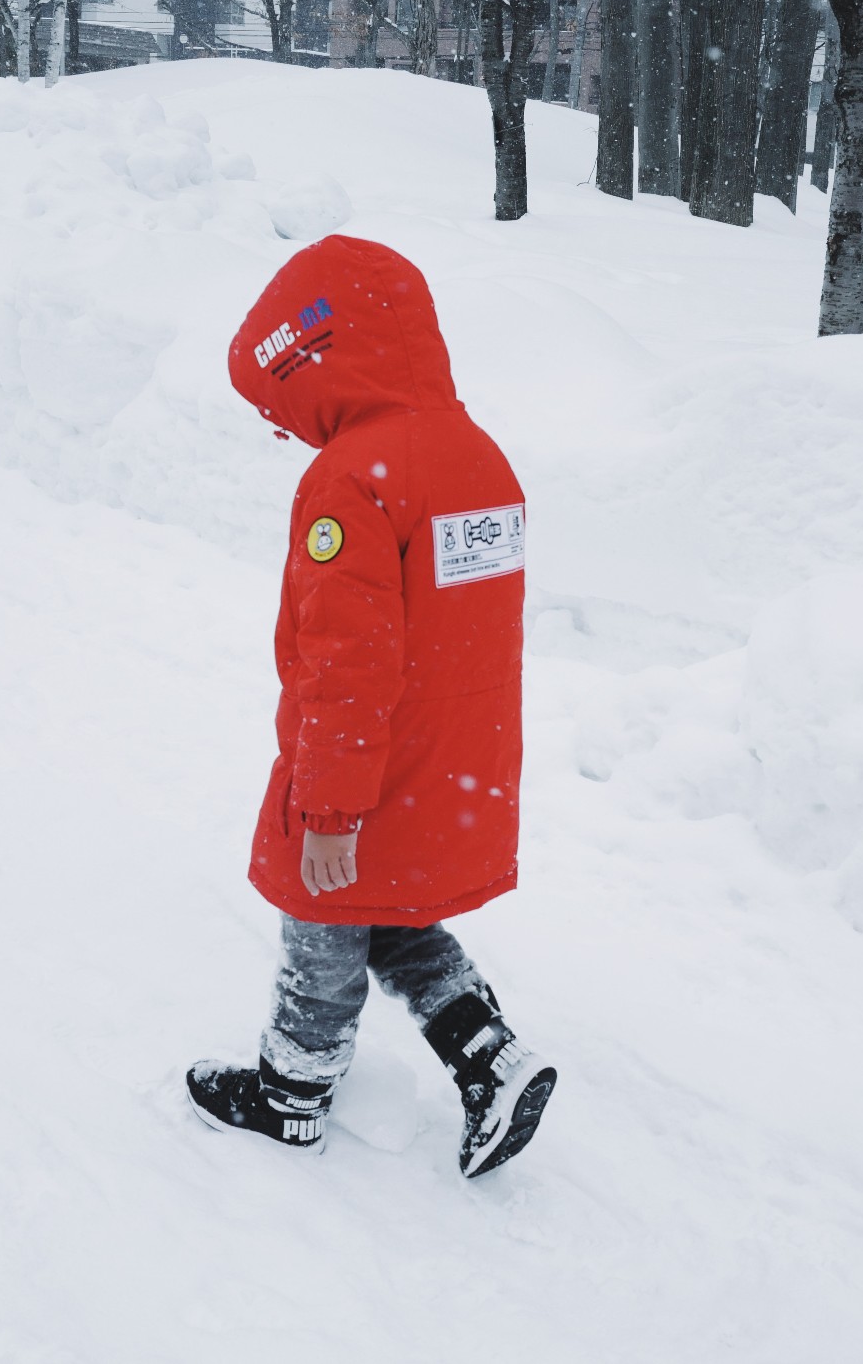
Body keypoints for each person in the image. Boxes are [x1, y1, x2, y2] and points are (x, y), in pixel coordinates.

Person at [186, 236, 555, 1179]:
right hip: (456, 755)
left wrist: (329, 806)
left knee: (323, 904)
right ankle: (487, 1054)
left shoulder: (350, 479)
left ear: (315, 361)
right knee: (385, 905)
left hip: (370, 756)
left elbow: (346, 667)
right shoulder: (479, 456)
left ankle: (291, 1092)